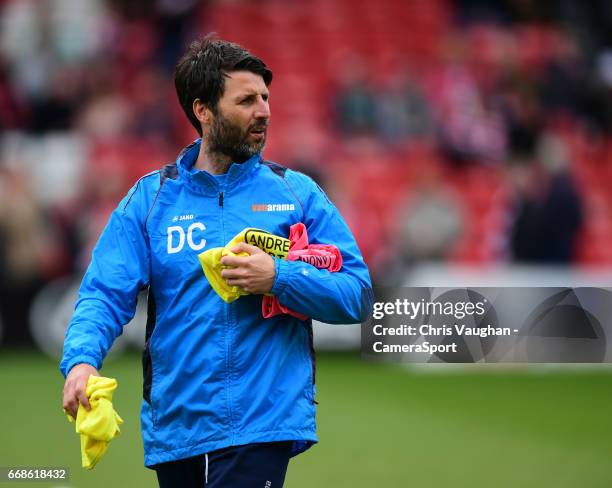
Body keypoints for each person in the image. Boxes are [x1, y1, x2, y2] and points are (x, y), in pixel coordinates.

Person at [60, 35, 373, 487]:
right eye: (246, 100)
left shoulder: (297, 194)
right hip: (177, 428)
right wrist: (82, 363)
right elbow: (104, 293)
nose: (264, 110)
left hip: (260, 425)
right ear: (203, 110)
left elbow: (358, 295)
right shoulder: (150, 200)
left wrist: (279, 277)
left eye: (265, 97)